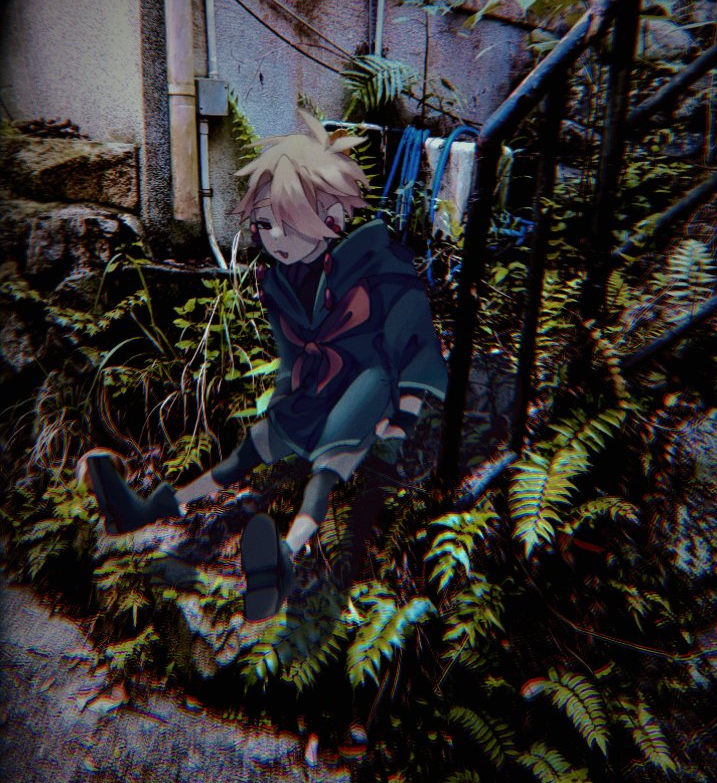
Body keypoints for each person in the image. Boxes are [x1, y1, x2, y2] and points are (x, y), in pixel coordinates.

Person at [82, 111, 447, 622]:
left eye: (288, 223)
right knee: (245, 454)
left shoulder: (375, 264)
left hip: (368, 381)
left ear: (331, 219)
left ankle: (286, 555)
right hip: (313, 385)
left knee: (327, 465)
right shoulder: (278, 284)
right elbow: (291, 357)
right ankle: (147, 509)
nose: (275, 237)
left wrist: (403, 415)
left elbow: (413, 340)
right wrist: (280, 405)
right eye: (265, 223)